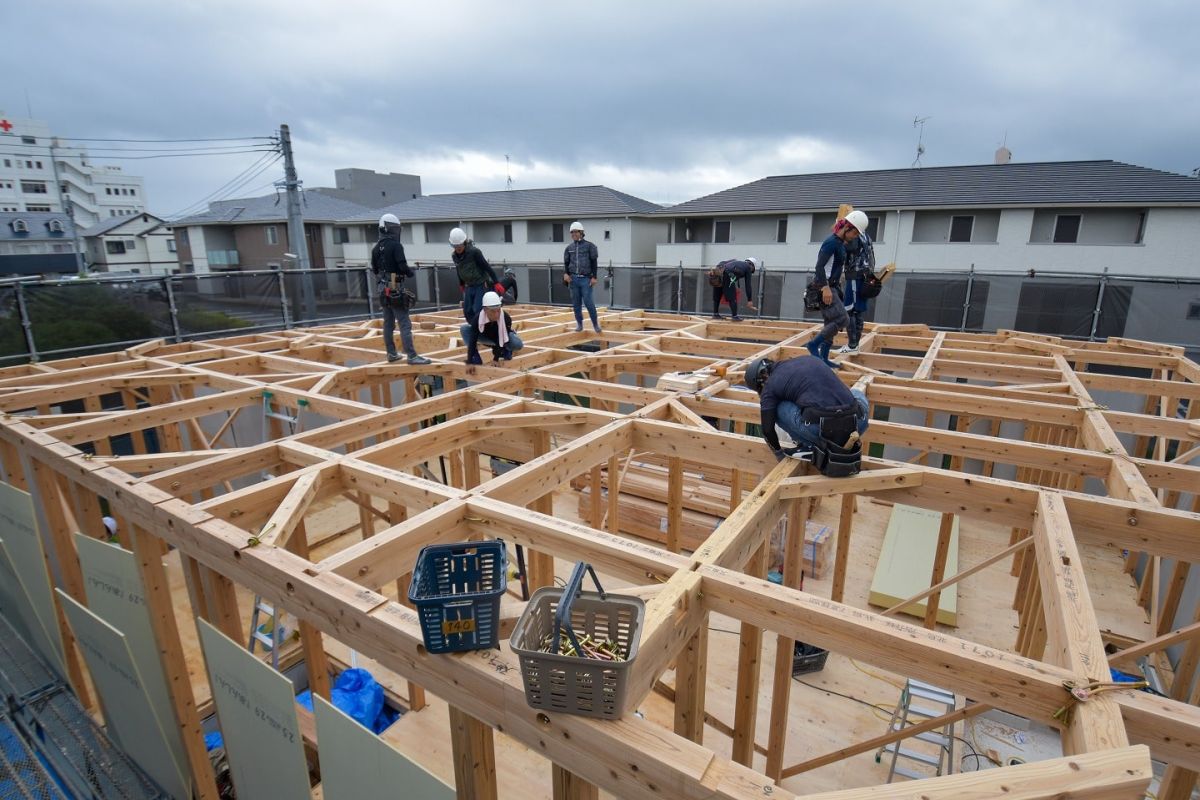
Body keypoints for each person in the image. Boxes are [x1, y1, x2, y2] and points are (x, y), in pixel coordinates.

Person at [743, 356, 869, 465]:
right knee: (856, 392)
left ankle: (808, 446)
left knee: (775, 408)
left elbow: (767, 430)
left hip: (823, 431)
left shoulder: (769, 387)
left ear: (761, 382)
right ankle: (837, 438)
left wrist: (779, 455)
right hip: (857, 424)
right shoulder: (809, 359)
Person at [806, 209, 869, 368]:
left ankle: (824, 359)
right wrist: (826, 288)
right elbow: (819, 266)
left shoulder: (841, 244)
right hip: (823, 287)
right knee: (844, 319)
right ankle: (813, 345)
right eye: (855, 233)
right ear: (848, 228)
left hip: (832, 286)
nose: (855, 237)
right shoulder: (831, 242)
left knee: (830, 323)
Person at [372, 214, 431, 365]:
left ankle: (391, 353)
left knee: (388, 323)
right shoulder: (396, 246)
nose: (396, 232)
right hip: (395, 287)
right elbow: (402, 266)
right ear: (388, 229)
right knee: (404, 323)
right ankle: (411, 356)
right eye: (394, 229)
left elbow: (375, 269)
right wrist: (410, 273)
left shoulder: (376, 248)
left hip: (383, 287)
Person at [450, 227, 503, 326]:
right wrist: (461, 283)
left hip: (480, 285)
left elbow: (487, 267)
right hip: (469, 286)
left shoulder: (474, 252)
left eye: (460, 245)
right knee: (467, 310)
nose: (458, 248)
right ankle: (474, 327)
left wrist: (496, 282)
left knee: (477, 309)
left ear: (464, 242)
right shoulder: (454, 256)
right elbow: (459, 270)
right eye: (455, 245)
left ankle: (482, 328)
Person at [838, 225, 875, 354]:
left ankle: (852, 345)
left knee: (850, 310)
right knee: (858, 311)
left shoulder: (855, 236)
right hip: (864, 277)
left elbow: (848, 248)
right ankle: (855, 345)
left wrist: (840, 236)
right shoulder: (866, 236)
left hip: (855, 277)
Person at [461, 291, 524, 364]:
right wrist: (470, 360)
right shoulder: (478, 319)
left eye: (498, 310)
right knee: (464, 329)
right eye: (493, 311)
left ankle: (506, 349)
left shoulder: (506, 318)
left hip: (502, 339)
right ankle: (476, 358)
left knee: (517, 344)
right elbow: (472, 340)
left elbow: (501, 339)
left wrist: (496, 359)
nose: (496, 314)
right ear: (485, 309)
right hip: (487, 337)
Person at [562, 220, 600, 333]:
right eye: (572, 232)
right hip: (573, 279)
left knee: (589, 303)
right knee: (576, 304)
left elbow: (594, 262)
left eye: (576, 232)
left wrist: (594, 277)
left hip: (585, 279)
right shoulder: (569, 248)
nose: (573, 234)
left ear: (581, 232)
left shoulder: (590, 246)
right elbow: (566, 263)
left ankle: (595, 324)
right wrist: (566, 274)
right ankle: (579, 324)